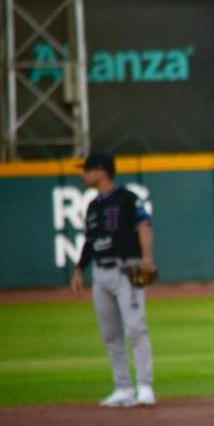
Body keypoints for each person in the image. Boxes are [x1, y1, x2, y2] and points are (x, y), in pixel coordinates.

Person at [69, 153, 158, 407]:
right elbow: (89, 241)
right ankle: (123, 388)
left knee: (136, 328)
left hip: (126, 269)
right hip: (100, 273)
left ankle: (145, 387)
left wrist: (147, 258)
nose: (82, 174)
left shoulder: (127, 198)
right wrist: (78, 270)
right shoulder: (93, 206)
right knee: (111, 334)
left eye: (86, 169)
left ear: (101, 170)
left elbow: (144, 226)